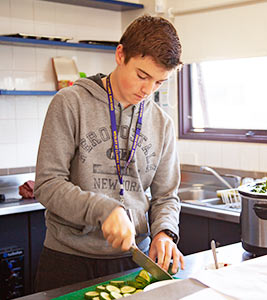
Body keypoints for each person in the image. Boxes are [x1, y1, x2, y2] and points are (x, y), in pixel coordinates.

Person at [34, 14, 184, 292]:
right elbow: (47, 185)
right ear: (120, 54)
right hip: (68, 260)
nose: (147, 91)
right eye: (142, 75)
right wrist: (104, 209)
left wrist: (164, 232)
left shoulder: (162, 123)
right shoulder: (70, 103)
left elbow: (166, 196)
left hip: (133, 262)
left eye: (159, 82)